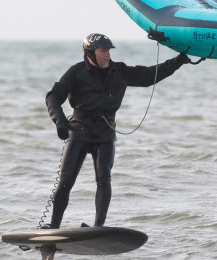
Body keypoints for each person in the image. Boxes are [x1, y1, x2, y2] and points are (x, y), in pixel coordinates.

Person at [42, 33, 190, 229]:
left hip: (105, 132)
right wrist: (59, 121)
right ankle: (54, 226)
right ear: (90, 53)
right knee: (66, 180)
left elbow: (148, 76)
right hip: (80, 130)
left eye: (109, 51)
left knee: (104, 177)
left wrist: (179, 61)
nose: (107, 55)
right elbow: (53, 96)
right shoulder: (76, 72)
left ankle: (98, 227)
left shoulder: (118, 70)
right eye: (103, 51)